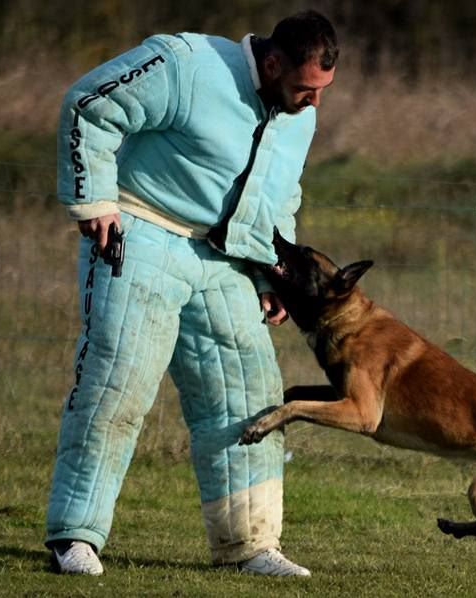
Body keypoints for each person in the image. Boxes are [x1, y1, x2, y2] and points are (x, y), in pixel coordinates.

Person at [45, 10, 337, 577]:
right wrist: (95, 199)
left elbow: (277, 201)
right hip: (141, 228)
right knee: (117, 381)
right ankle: (74, 538)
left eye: (323, 91)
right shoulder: (186, 64)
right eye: (306, 88)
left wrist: (270, 276)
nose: (314, 103)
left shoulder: (299, 116)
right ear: (272, 63)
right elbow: (89, 104)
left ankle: (249, 547)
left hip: (225, 257)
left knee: (248, 397)